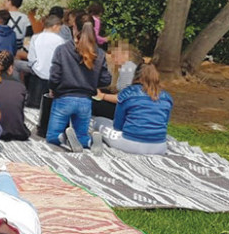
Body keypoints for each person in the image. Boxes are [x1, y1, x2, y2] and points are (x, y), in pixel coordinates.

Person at [46, 21, 112, 152]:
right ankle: (90, 141)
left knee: (52, 136)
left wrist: (53, 88)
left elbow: (55, 76)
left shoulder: (63, 49)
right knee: (82, 135)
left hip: (63, 98)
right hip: (85, 101)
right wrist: (91, 82)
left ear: (75, 29)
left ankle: (64, 137)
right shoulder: (99, 53)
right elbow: (106, 79)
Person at [92, 63, 173, 155]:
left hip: (131, 144)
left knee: (98, 121)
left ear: (136, 75)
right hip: (160, 147)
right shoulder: (167, 97)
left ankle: (94, 140)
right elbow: (164, 123)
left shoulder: (128, 93)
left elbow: (118, 126)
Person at [93, 40, 142, 119]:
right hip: (128, 108)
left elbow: (122, 98)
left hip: (126, 111)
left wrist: (102, 96)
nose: (113, 58)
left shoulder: (128, 68)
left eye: (115, 55)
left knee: (90, 103)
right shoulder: (127, 68)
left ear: (126, 54)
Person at [14, 14, 65, 82]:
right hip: (54, 73)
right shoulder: (60, 40)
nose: (59, 31)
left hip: (37, 71)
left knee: (15, 63)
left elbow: (31, 58)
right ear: (55, 27)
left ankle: (20, 86)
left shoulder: (35, 37)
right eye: (59, 28)